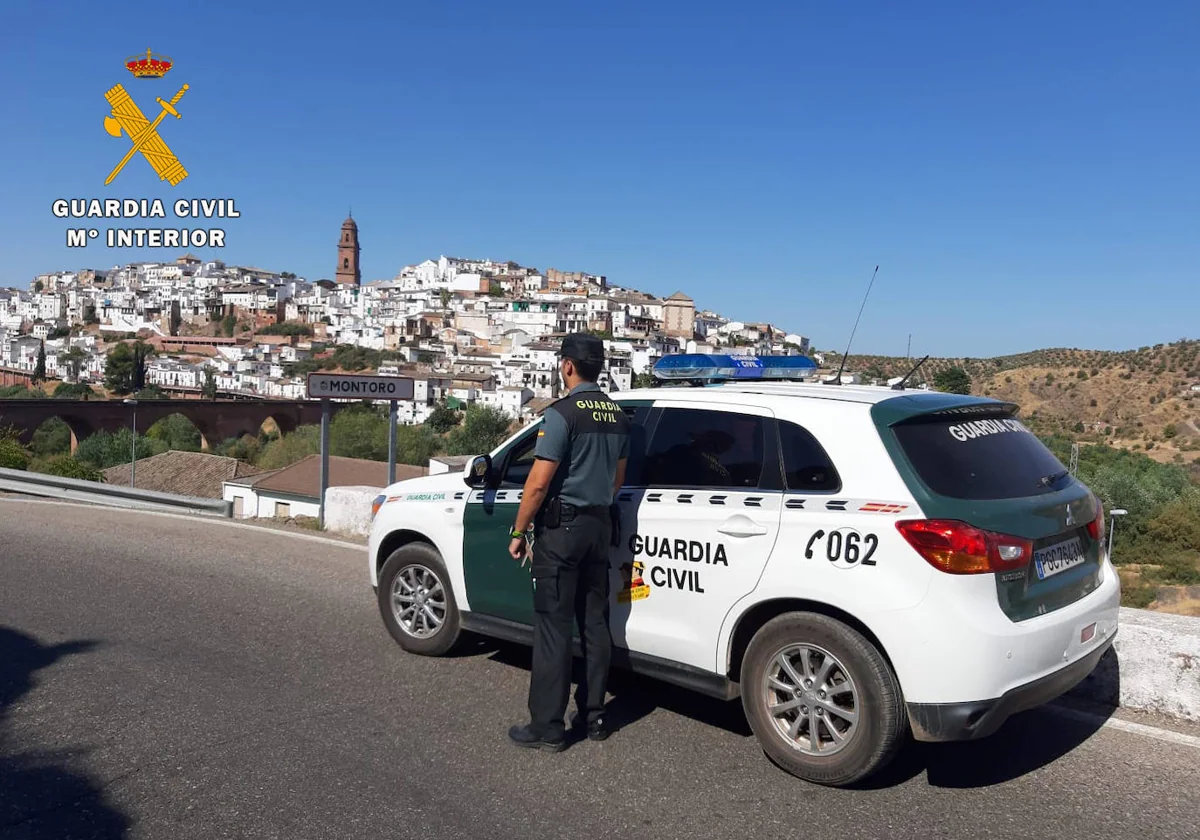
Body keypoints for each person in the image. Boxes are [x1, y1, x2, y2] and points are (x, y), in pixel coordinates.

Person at [506, 333, 630, 752]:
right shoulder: (617, 414)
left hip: (562, 532)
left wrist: (519, 531)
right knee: (595, 625)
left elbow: (538, 485)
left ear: (567, 366)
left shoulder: (562, 414)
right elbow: (618, 480)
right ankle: (595, 717)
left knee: (554, 629)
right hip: (599, 528)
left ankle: (548, 727)